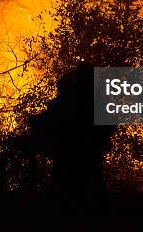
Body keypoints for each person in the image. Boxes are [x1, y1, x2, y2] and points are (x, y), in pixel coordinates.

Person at [29, 61, 115, 195]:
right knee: (91, 179)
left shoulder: (74, 97)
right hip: (85, 145)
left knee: (71, 180)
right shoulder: (98, 97)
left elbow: (53, 116)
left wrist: (36, 121)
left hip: (74, 145)